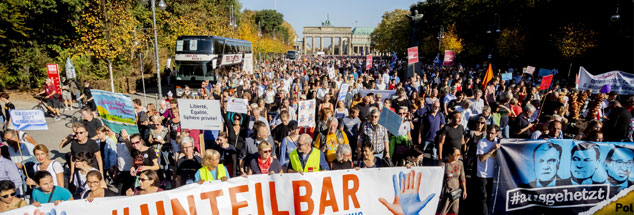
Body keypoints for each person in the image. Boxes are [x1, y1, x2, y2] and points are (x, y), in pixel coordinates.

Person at [475, 125, 499, 215]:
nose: (489, 135)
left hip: (494, 174)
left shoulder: (498, 142)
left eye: (492, 133)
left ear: (497, 133)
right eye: (488, 132)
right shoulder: (482, 142)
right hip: (483, 174)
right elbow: (482, 158)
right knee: (483, 197)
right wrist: (493, 149)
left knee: (490, 197)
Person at [437, 147, 467, 215]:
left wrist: (464, 190)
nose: (458, 156)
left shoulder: (460, 163)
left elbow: (462, 177)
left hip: (456, 191)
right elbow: (437, 177)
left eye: (459, 154)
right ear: (450, 154)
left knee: (454, 210)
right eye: (456, 154)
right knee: (443, 210)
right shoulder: (443, 164)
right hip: (445, 191)